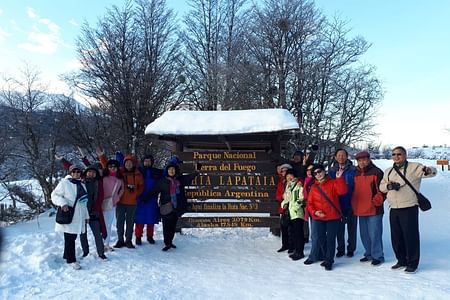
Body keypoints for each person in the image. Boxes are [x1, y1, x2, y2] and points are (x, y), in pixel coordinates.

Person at [379, 146, 436, 273]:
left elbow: (431, 172)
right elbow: (381, 187)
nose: (396, 156)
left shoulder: (414, 167)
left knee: (410, 236)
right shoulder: (388, 171)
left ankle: (412, 263)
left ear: (405, 155)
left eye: (399, 154)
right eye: (394, 154)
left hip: (409, 207)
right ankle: (401, 260)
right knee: (396, 237)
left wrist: (428, 170)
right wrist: (389, 185)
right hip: (394, 208)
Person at [304, 164, 347, 271]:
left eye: (319, 171)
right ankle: (325, 256)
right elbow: (310, 203)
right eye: (315, 173)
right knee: (321, 239)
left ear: (324, 171)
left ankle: (329, 260)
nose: (318, 174)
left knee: (331, 239)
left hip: (332, 217)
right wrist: (315, 212)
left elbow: (342, 191)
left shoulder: (333, 182)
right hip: (319, 218)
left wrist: (339, 178)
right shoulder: (314, 187)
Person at [148, 163, 199, 251]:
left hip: (176, 207)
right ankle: (167, 243)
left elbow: (189, 177)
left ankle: (170, 242)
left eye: (173, 169)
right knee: (166, 226)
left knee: (173, 226)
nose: (171, 171)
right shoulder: (162, 181)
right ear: (167, 171)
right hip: (166, 207)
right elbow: (154, 191)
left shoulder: (180, 180)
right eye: (169, 169)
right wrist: (144, 198)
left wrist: (196, 172)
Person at [51, 164, 89, 270]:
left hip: (79, 216)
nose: (76, 173)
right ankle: (71, 260)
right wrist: (62, 203)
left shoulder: (82, 184)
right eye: (74, 172)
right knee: (69, 238)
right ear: (70, 173)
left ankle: (66, 255)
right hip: (69, 214)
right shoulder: (65, 183)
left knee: (72, 237)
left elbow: (83, 202)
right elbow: (54, 195)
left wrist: (86, 216)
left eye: (78, 172)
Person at [352, 151, 385, 266]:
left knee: (375, 233)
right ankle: (369, 253)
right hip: (360, 207)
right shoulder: (354, 173)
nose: (362, 162)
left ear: (369, 159)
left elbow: (382, 189)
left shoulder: (377, 172)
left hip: (374, 209)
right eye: (359, 160)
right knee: (364, 234)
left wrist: (378, 200)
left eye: (364, 160)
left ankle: (378, 255)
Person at [328, 148, 357, 257]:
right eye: (339, 155)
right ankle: (340, 249)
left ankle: (351, 249)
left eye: (343, 155)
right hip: (338, 203)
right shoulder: (331, 171)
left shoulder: (354, 169)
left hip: (352, 202)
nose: (341, 157)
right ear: (335, 157)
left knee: (352, 228)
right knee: (339, 229)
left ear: (347, 156)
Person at [114, 155, 144, 249]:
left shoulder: (138, 174)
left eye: (130, 163)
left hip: (132, 203)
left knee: (130, 223)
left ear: (133, 164)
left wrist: (136, 194)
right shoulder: (120, 173)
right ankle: (120, 240)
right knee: (120, 222)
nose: (128, 164)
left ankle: (128, 240)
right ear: (124, 164)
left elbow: (141, 186)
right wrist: (102, 156)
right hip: (121, 202)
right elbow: (107, 169)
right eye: (126, 163)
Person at [79, 164, 108, 260]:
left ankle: (101, 252)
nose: (91, 174)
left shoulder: (99, 183)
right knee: (83, 233)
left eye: (93, 172)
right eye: (89, 172)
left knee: (97, 233)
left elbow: (100, 197)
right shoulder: (81, 182)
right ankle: (85, 252)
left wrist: (95, 209)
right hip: (82, 212)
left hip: (94, 212)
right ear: (86, 173)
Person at [134, 154, 163, 245]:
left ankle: (150, 236)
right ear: (143, 162)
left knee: (151, 219)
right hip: (140, 198)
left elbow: (168, 171)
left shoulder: (156, 172)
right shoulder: (138, 171)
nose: (147, 163)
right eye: (145, 161)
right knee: (139, 220)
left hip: (152, 198)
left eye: (149, 161)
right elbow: (125, 168)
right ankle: (138, 237)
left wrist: (174, 161)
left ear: (152, 162)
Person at [280, 169, 306, 261]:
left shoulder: (299, 185)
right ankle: (295, 250)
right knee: (293, 232)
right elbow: (285, 199)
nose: (289, 177)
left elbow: (301, 198)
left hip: (297, 213)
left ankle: (300, 252)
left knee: (299, 233)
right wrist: (284, 205)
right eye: (287, 176)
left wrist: (295, 206)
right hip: (290, 213)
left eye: (291, 175)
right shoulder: (288, 186)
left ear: (294, 176)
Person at [101, 159, 124, 252]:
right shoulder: (103, 177)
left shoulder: (119, 180)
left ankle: (106, 244)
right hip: (100, 203)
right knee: (101, 224)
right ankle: (100, 243)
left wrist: (117, 198)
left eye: (114, 167)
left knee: (108, 225)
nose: (112, 168)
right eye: (110, 166)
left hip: (111, 204)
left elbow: (122, 190)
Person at [275, 163, 293, 253]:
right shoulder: (281, 182)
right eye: (282, 171)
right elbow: (277, 195)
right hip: (283, 207)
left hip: (292, 207)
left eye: (286, 171)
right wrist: (281, 197)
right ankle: (284, 245)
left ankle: (291, 246)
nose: (284, 172)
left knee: (291, 228)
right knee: (284, 227)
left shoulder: (294, 181)